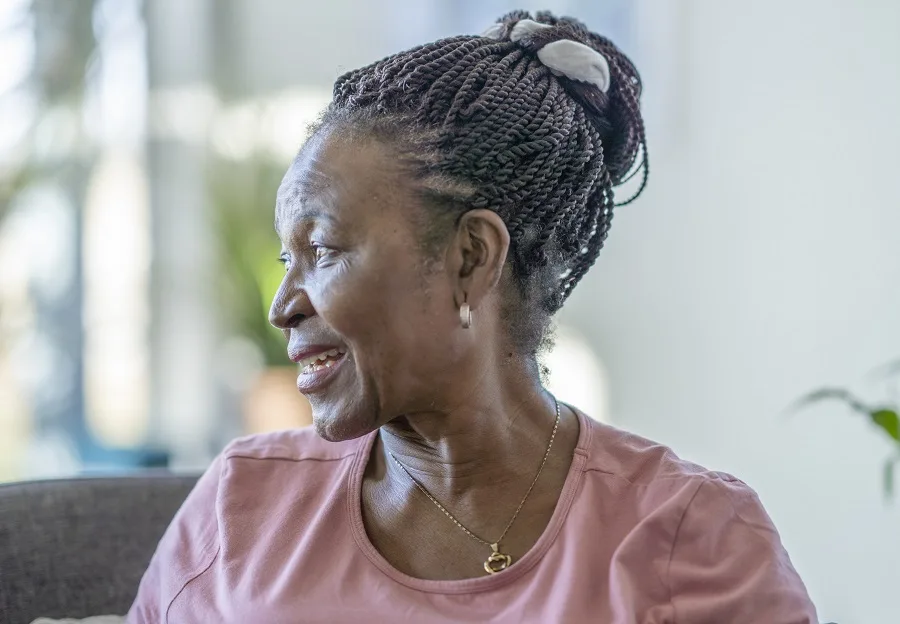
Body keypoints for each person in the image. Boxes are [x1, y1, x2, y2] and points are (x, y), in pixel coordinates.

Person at [128, 10, 818, 623]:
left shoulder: (687, 541)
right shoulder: (241, 507)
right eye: (288, 259)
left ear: (470, 257)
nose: (282, 306)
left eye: (326, 249)